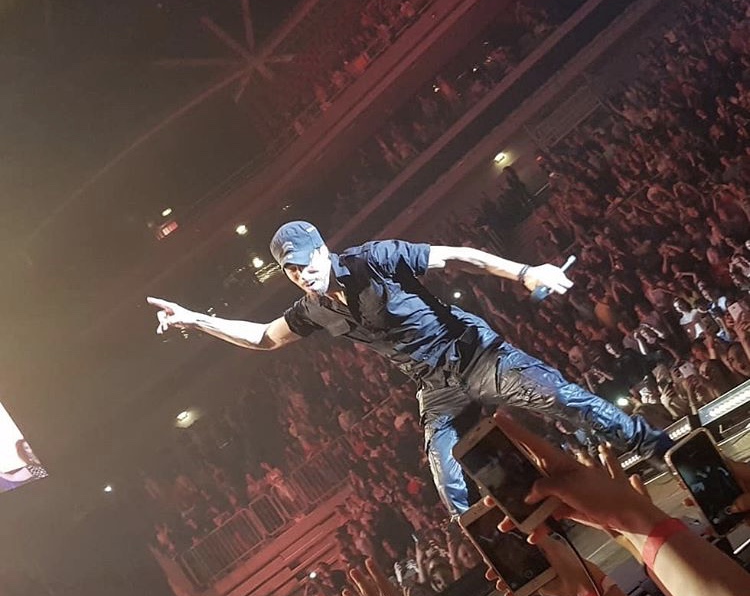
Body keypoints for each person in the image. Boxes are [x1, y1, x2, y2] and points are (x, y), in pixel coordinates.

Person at [148, 221, 672, 517]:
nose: (303, 277)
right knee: (452, 486)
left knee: (560, 400)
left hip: (476, 356)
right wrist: (195, 320)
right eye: (292, 273)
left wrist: (524, 272)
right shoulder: (314, 309)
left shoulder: (376, 258)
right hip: (436, 390)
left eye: (307, 266)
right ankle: (531, 557)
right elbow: (264, 337)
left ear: (324, 252)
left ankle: (654, 446)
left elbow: (458, 256)